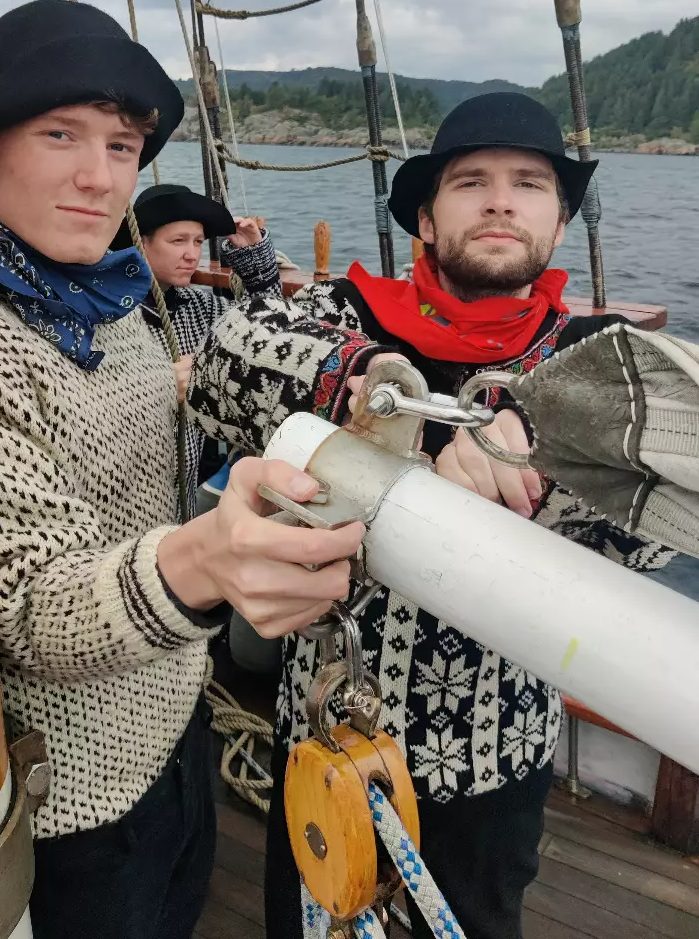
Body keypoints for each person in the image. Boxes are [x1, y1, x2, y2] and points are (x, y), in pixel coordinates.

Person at [0, 0, 369, 939]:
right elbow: (26, 603)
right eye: (60, 135)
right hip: (78, 796)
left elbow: (191, 402)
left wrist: (356, 385)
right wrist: (205, 561)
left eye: (122, 146)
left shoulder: (111, 299)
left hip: (178, 717)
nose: (99, 178)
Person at [187, 92, 675, 939]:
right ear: (426, 217)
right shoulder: (344, 316)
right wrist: (378, 392)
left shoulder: (601, 368)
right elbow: (229, 356)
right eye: (471, 182)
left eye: (529, 184)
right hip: (326, 740)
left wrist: (546, 439)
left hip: (494, 756)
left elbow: (650, 534)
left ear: (559, 223)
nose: (500, 202)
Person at [120, 182, 280, 512]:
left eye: (197, 242)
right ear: (141, 242)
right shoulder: (109, 313)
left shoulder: (199, 306)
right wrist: (161, 386)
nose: (192, 254)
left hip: (185, 496)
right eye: (178, 241)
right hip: (128, 492)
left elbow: (267, 333)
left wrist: (254, 259)